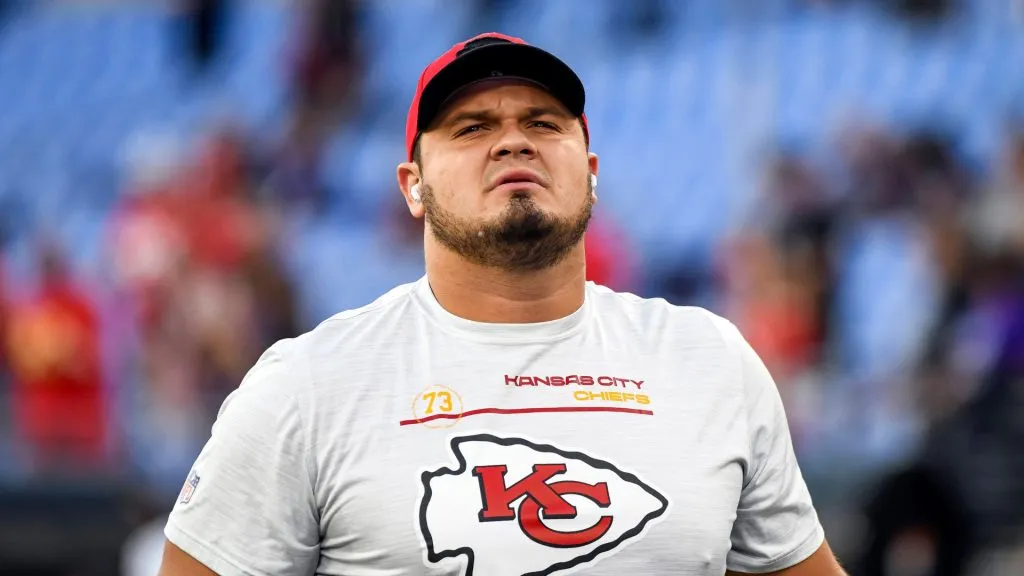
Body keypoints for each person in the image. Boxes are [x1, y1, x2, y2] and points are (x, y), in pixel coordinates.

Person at [158, 33, 846, 575]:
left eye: (544, 123)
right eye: (471, 127)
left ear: (592, 174)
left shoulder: (708, 363)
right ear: (412, 186)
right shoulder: (308, 386)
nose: (514, 139)